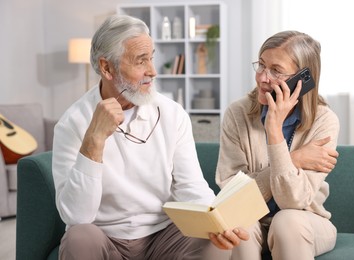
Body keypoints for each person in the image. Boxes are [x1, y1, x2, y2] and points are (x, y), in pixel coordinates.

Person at [52, 14, 242, 260]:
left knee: (213, 239)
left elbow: (190, 187)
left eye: (151, 58)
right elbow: (76, 217)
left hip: (163, 236)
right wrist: (94, 139)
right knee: (79, 238)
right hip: (104, 238)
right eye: (141, 61)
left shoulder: (172, 114)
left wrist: (219, 219)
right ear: (106, 67)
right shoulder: (72, 123)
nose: (152, 71)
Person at [212, 30, 340, 259]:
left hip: (304, 221)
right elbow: (233, 198)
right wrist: (294, 159)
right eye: (261, 65)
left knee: (286, 221)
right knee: (242, 225)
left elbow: (293, 201)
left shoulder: (325, 120)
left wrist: (274, 131)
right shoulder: (237, 113)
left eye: (276, 71)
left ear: (302, 80)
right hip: (253, 220)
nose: (262, 77)